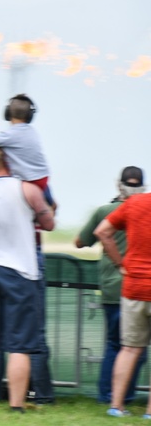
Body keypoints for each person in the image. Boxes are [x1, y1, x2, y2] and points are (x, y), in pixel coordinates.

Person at [0, 147, 54, 412]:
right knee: (20, 345)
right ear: (12, 159)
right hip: (20, 272)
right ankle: (16, 405)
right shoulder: (28, 190)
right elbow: (48, 223)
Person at [75, 166, 147, 404]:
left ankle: (109, 396)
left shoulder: (104, 211)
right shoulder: (145, 209)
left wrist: (118, 261)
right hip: (141, 287)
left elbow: (80, 242)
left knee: (115, 345)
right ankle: (127, 395)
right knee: (138, 349)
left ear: (119, 185)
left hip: (112, 288)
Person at [94, 171, 151, 419]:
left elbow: (102, 232)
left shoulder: (134, 203)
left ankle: (116, 406)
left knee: (128, 349)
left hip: (134, 286)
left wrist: (120, 264)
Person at [0, 94, 53, 206]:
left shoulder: (10, 134)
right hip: (43, 178)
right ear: (30, 115)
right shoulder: (32, 132)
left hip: (28, 181)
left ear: (7, 113)